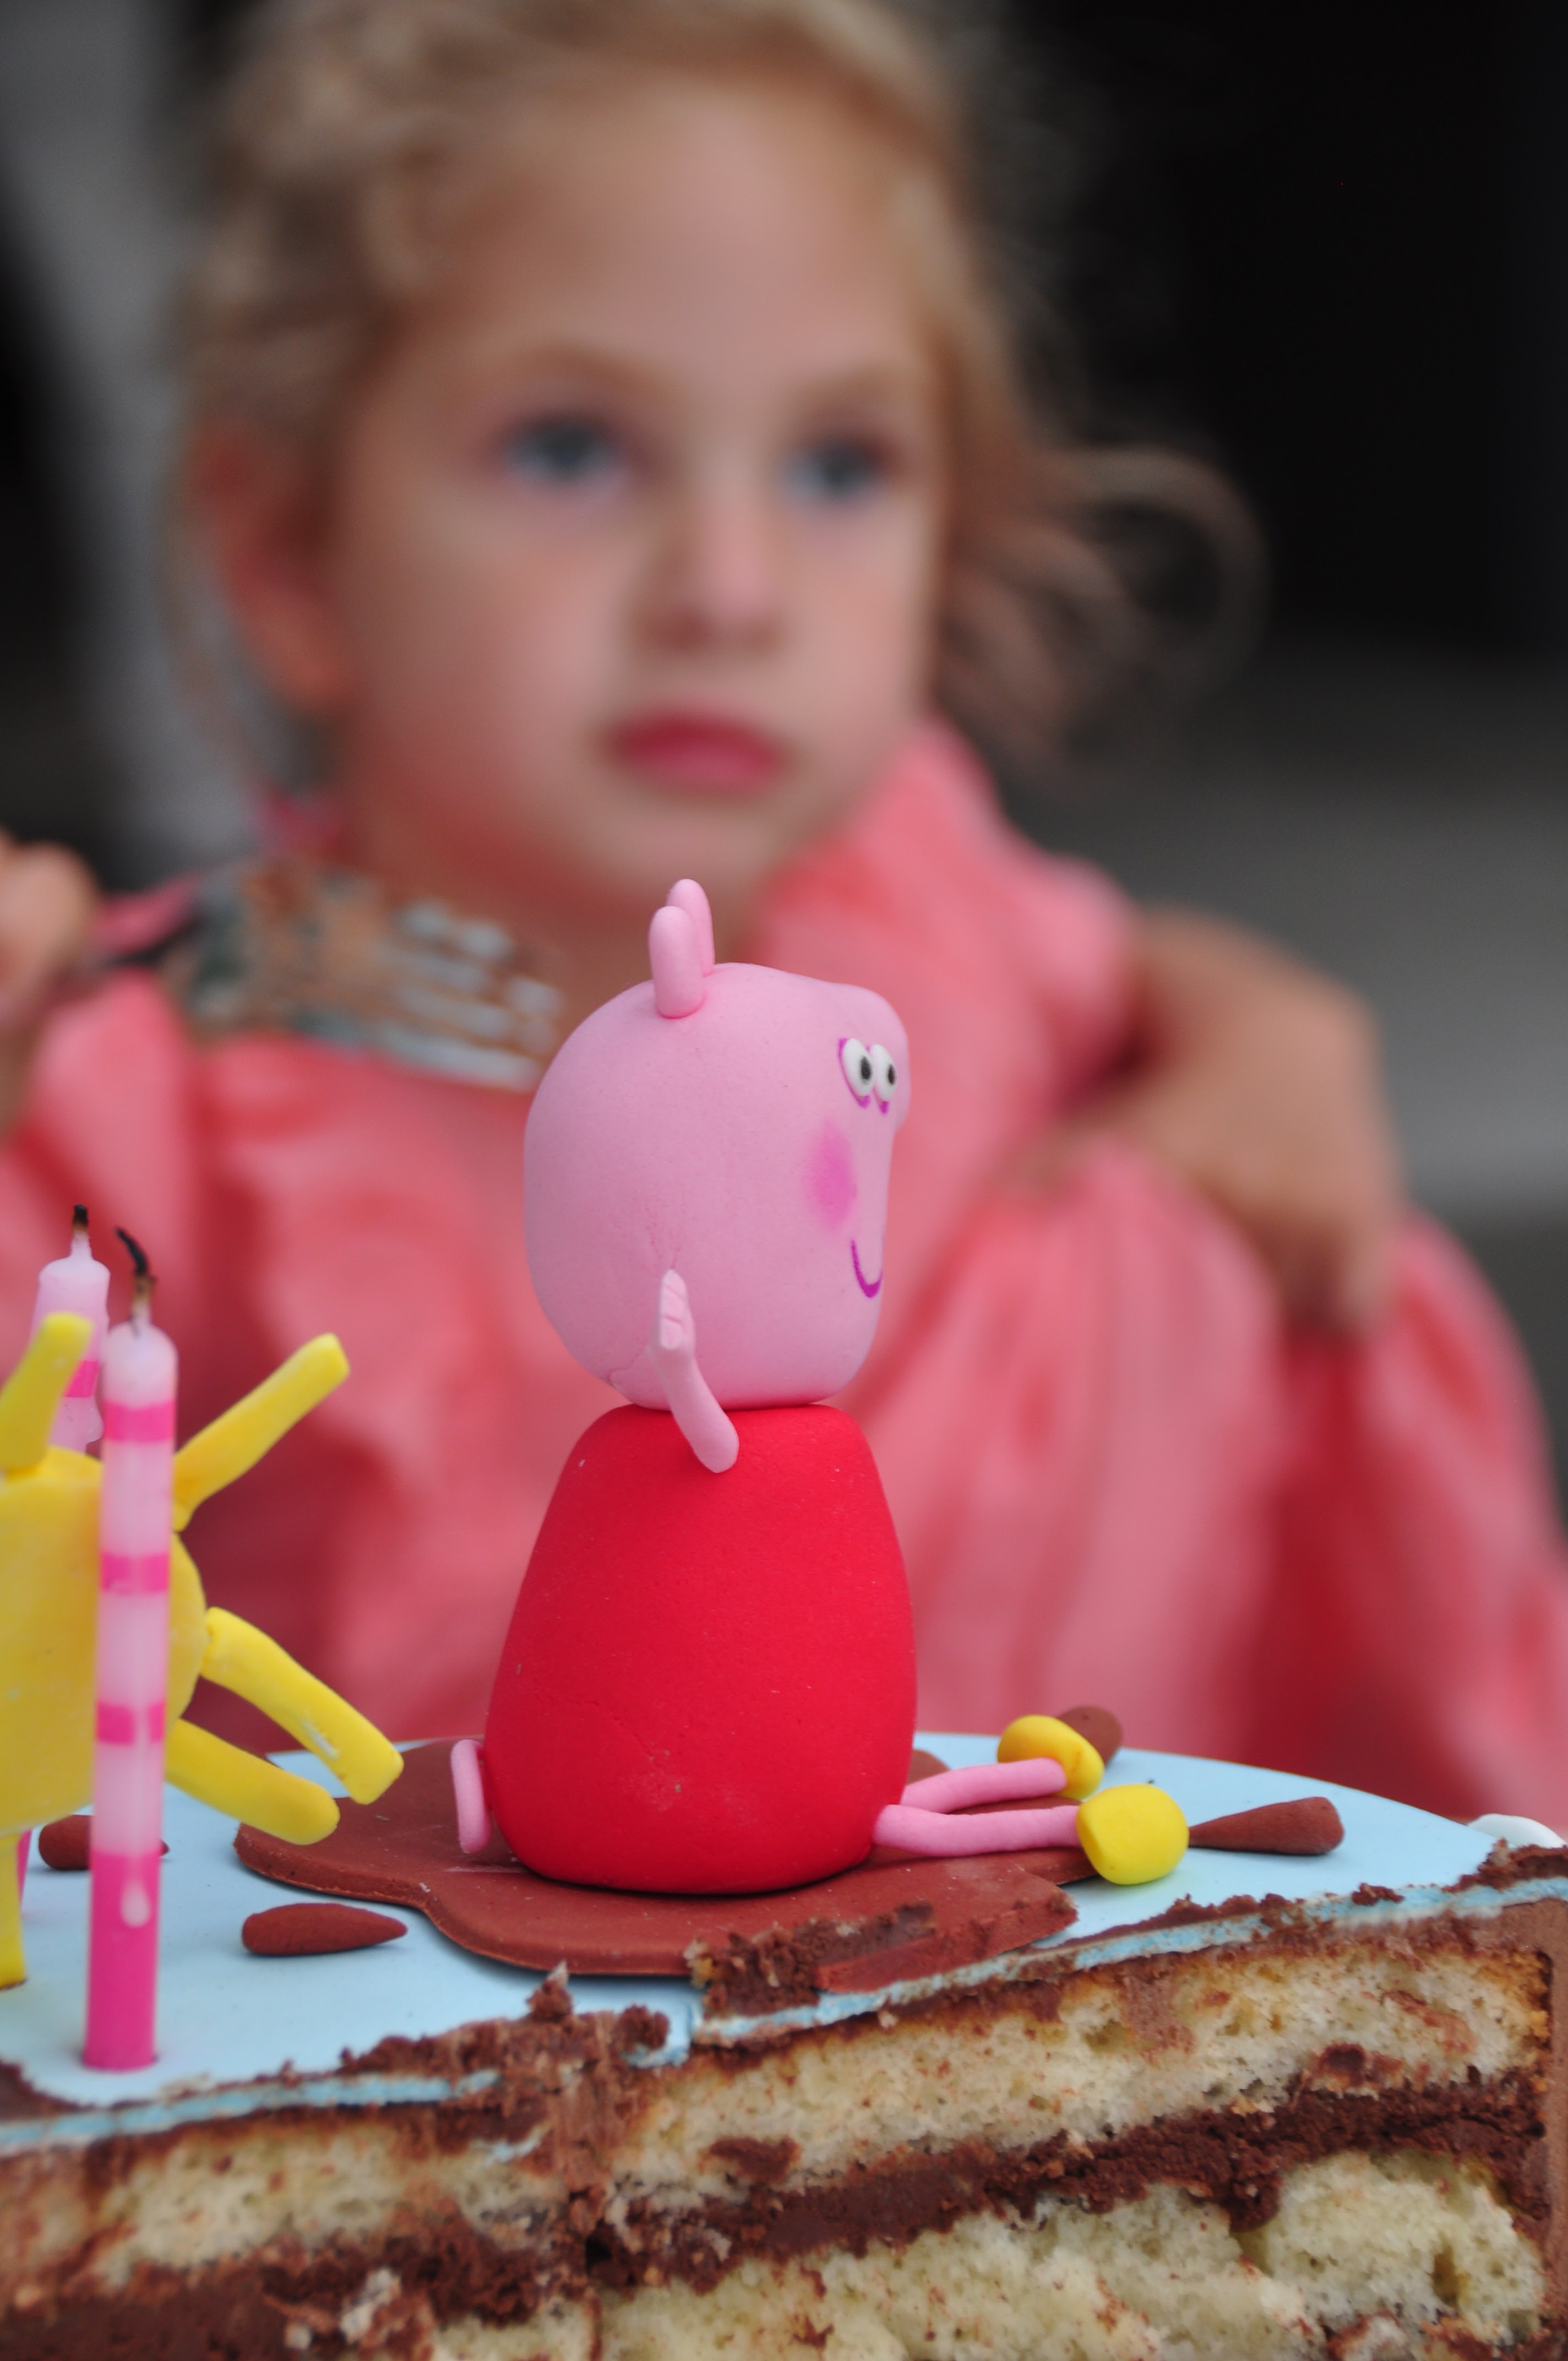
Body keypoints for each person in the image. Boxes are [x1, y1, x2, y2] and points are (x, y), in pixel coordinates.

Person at [0, 0, 1562, 1823]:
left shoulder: (910, 886)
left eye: (838, 466)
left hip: (1024, 1943)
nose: (729, 588)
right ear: (288, 558)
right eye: (569, 448)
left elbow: (1113, 962)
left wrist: (1267, 1032)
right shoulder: (155, 1089)